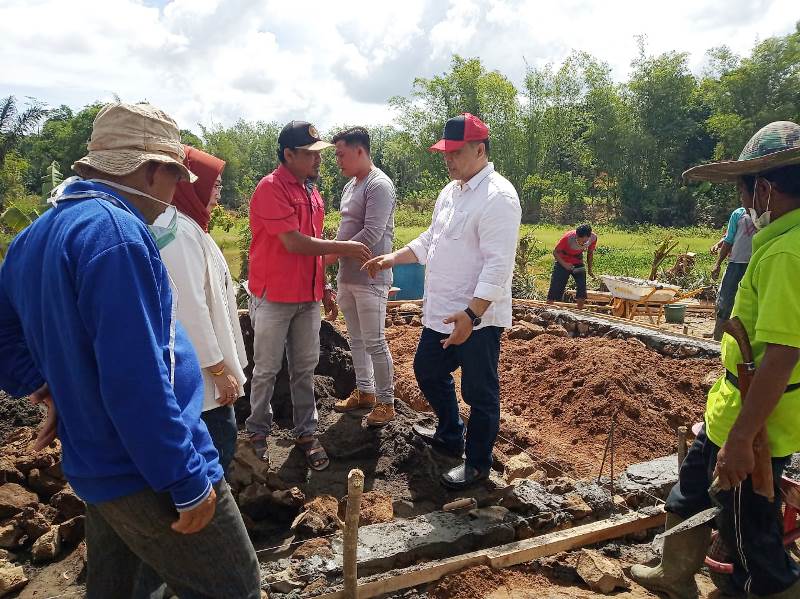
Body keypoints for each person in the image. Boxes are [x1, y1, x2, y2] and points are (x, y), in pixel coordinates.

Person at [0, 103, 260, 598]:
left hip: (97, 458)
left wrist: (48, 388)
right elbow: (140, 379)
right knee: (236, 588)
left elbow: (4, 333)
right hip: (145, 468)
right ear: (149, 169)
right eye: (173, 178)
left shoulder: (36, 235)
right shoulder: (117, 236)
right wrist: (187, 478)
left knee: (117, 590)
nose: (172, 196)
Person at [630, 121, 800, 599]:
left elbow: (784, 354)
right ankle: (675, 574)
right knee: (689, 489)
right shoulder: (778, 244)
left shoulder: (787, 254)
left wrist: (744, 438)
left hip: (760, 420)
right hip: (730, 406)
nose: (746, 205)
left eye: (747, 193)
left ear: (765, 188)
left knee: (750, 533)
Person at [364, 113, 521, 490]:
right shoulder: (451, 192)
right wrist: (393, 257)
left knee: (480, 392)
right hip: (441, 312)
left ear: (479, 150)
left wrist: (472, 314)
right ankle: (451, 432)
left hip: (476, 318)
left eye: (456, 152)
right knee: (428, 371)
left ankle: (478, 463)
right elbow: (432, 239)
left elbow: (498, 266)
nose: (447, 159)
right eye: (444, 152)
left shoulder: (498, 197)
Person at [246, 120, 372, 470]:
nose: (318, 160)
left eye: (320, 154)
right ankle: (257, 431)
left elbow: (313, 247)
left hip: (307, 296)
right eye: (310, 154)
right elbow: (295, 243)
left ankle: (306, 433)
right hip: (274, 296)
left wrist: (325, 286)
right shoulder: (271, 188)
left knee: (305, 368)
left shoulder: (310, 192)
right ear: (289, 154)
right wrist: (344, 247)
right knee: (267, 369)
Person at [161, 146, 247, 477]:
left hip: (203, 371)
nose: (218, 194)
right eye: (215, 185)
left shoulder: (190, 226)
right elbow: (190, 309)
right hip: (203, 378)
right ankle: (207, 517)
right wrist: (217, 368)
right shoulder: (179, 233)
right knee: (215, 449)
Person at [329, 127, 398, 427]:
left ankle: (386, 401)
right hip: (348, 276)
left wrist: (330, 253)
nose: (338, 162)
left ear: (360, 151)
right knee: (355, 339)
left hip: (371, 277)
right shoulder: (350, 187)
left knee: (374, 341)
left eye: (341, 155)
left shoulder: (379, 185)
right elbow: (345, 231)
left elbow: (371, 233)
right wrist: (335, 255)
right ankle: (365, 391)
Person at [710, 206, 756, 340]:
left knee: (749, 302)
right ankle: (718, 337)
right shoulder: (739, 213)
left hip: (755, 264)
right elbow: (729, 239)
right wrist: (717, 263)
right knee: (725, 301)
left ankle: (743, 338)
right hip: (736, 263)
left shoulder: (767, 213)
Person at [546, 224, 596, 310]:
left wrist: (590, 270)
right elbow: (555, 252)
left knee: (581, 287)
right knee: (555, 287)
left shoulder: (593, 238)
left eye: (584, 242)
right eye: (579, 240)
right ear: (576, 235)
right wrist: (565, 264)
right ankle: (548, 309)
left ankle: (579, 311)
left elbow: (590, 253)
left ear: (588, 237)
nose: (581, 243)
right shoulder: (568, 238)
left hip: (577, 261)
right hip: (563, 261)